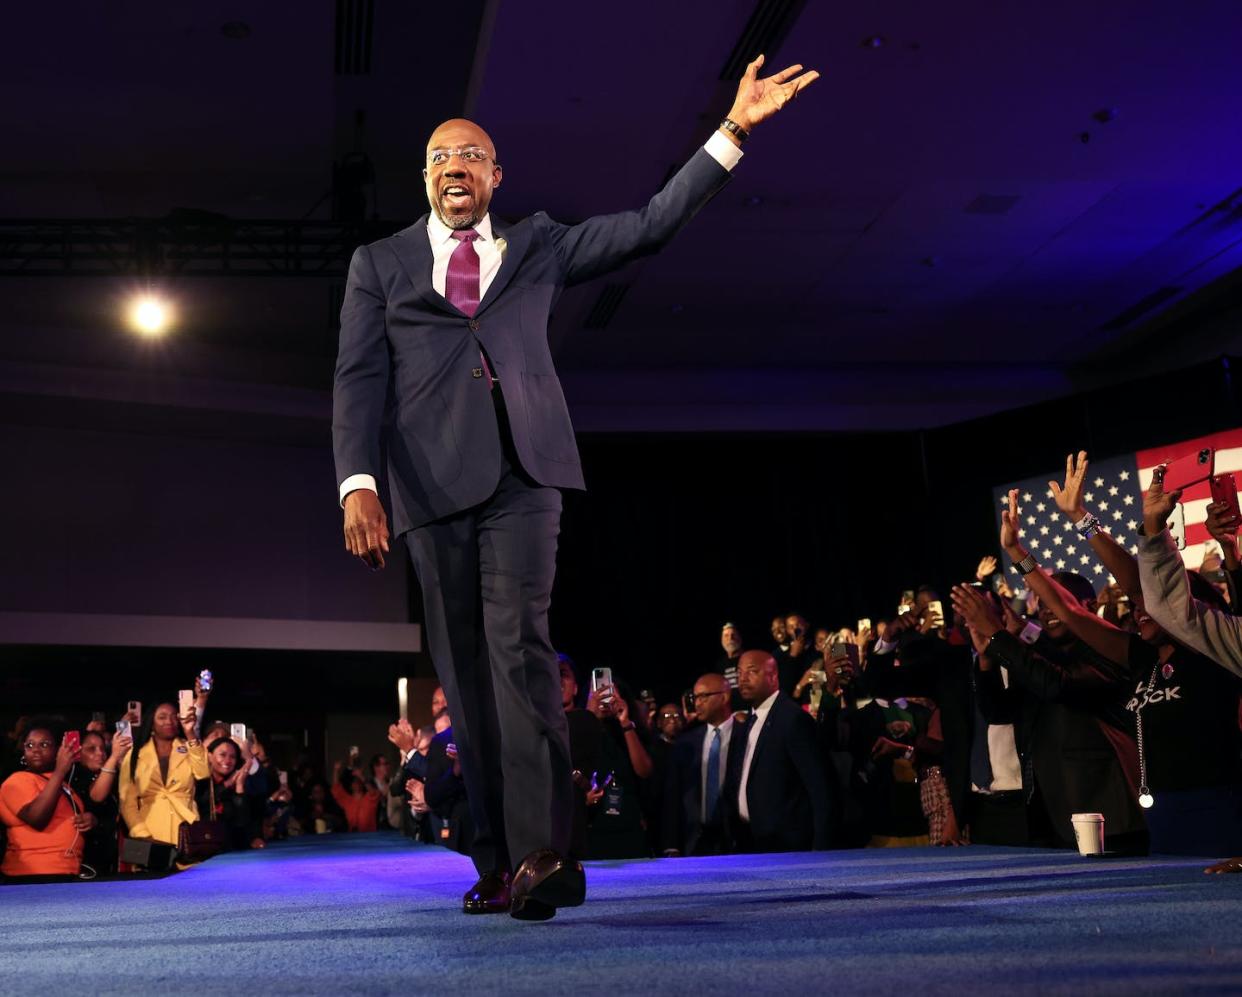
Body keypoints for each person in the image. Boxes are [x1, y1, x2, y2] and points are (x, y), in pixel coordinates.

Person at [332, 55, 818, 920]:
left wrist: (733, 129)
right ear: (425, 176)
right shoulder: (380, 263)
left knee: (520, 652)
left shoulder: (541, 243)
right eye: (443, 156)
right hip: (428, 490)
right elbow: (357, 378)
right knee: (467, 680)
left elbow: (649, 224)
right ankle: (491, 857)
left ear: (495, 176)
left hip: (528, 476)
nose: (457, 166)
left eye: (473, 156)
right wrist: (357, 481)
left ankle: (543, 855)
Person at [726, 651, 833, 852]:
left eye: (752, 672)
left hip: (788, 847)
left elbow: (820, 789)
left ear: (773, 676)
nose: (743, 679)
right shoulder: (749, 720)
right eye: (739, 673)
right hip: (752, 842)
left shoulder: (793, 720)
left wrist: (821, 849)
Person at [0, 719, 94, 877]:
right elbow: (37, 818)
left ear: (58, 750)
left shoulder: (63, 784)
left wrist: (90, 820)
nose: (36, 750)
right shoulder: (17, 780)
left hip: (66, 871)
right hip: (32, 874)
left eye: (44, 744)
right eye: (29, 745)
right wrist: (60, 771)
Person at [662, 673, 735, 856]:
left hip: (737, 839)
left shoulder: (744, 735)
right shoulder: (686, 743)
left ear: (724, 697)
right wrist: (671, 844)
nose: (697, 703)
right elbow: (673, 796)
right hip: (695, 841)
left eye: (704, 696)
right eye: (695, 697)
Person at [118, 701, 208, 848]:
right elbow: (128, 803)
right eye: (162, 717)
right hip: (150, 832)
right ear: (152, 723)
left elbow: (203, 773)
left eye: (174, 717)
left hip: (187, 831)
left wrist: (190, 733)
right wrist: (142, 835)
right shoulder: (135, 754)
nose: (169, 721)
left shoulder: (189, 747)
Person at [72, 728, 131, 874]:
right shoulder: (75, 777)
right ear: (78, 753)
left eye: (103, 749)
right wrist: (113, 757)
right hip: (88, 860)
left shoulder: (110, 776)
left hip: (111, 855)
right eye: (91, 749)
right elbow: (97, 796)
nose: (100, 753)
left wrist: (121, 760)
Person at [196, 736, 266, 851]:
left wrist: (239, 787)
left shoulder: (240, 781)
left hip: (231, 849)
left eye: (232, 757)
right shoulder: (199, 781)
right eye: (222, 755)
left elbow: (243, 822)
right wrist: (227, 784)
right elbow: (203, 803)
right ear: (209, 756)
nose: (228, 761)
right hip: (203, 846)